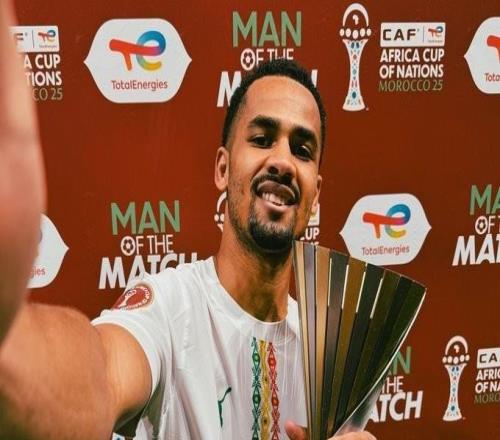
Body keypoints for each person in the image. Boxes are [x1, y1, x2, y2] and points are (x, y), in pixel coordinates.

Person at [0, 1, 376, 439]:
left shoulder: (329, 360)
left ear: (315, 195)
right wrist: (11, 352)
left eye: (302, 150)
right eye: (262, 138)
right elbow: (102, 371)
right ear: (223, 168)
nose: (282, 161)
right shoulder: (168, 309)